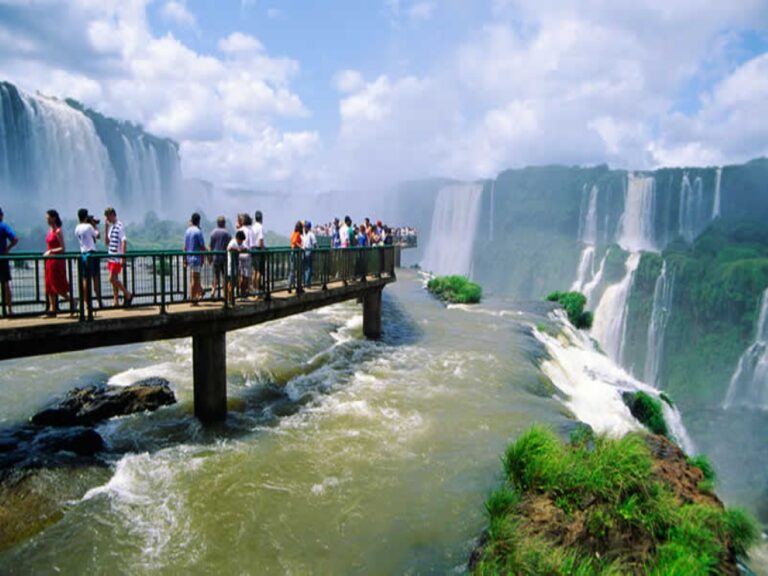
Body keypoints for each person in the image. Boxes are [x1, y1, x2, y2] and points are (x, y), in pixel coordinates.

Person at [43, 209, 71, 316]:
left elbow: (62, 248)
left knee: (57, 285)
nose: (47, 220)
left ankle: (71, 301)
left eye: (48, 218)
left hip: (57, 261)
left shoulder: (58, 231)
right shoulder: (49, 231)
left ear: (53, 218)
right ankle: (52, 308)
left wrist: (50, 251)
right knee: (49, 284)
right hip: (49, 261)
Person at [104, 207, 133, 308]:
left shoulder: (119, 225)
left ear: (112, 215)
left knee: (111, 279)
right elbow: (106, 242)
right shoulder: (111, 227)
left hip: (116, 257)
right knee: (114, 280)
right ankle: (115, 301)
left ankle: (127, 294)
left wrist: (122, 257)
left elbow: (124, 241)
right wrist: (106, 227)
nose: (107, 219)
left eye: (108, 216)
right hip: (111, 257)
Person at [75, 207, 102, 311]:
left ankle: (86, 303)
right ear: (86, 216)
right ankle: (99, 302)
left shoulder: (77, 228)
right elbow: (97, 236)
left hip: (83, 254)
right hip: (92, 254)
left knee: (85, 279)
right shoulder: (89, 227)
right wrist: (94, 226)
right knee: (95, 279)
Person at [183, 212, 207, 304]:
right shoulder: (198, 231)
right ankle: (193, 299)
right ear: (199, 221)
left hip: (189, 258)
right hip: (196, 259)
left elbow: (185, 246)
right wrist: (207, 255)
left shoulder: (187, 231)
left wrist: (184, 259)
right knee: (195, 280)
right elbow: (202, 246)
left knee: (193, 279)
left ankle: (194, 296)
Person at [0, 207, 19, 316]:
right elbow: (15, 239)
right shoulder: (3, 226)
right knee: (6, 283)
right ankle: (10, 310)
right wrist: (8, 248)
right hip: (2, 258)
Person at [209, 216, 232, 298]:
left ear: (217, 223)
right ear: (224, 223)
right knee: (224, 276)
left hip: (215, 257)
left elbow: (210, 246)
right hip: (224, 257)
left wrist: (210, 257)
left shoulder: (213, 232)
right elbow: (230, 245)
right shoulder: (227, 233)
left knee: (215, 275)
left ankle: (213, 292)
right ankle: (224, 293)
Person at [227, 230, 248, 300]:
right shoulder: (233, 242)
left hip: (235, 265)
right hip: (231, 266)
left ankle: (231, 298)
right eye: (241, 240)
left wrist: (241, 249)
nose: (241, 242)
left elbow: (245, 247)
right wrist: (236, 249)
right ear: (238, 238)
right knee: (231, 283)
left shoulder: (239, 243)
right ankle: (230, 299)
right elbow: (228, 248)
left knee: (234, 283)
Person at [287, 221, 303, 293]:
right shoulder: (297, 234)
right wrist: (301, 247)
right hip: (295, 253)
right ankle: (295, 286)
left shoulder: (293, 233)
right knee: (296, 270)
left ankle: (290, 286)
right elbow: (295, 242)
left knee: (293, 270)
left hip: (293, 253)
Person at [251, 210, 265, 294]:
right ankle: (257, 290)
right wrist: (263, 249)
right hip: (258, 250)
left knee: (254, 271)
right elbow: (261, 240)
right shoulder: (260, 227)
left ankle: (254, 289)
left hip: (252, 249)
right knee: (259, 271)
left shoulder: (253, 227)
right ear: (261, 218)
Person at [302, 220, 317, 288]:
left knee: (308, 268)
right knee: (307, 268)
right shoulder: (305, 234)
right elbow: (315, 244)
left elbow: (314, 244)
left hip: (308, 251)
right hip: (305, 251)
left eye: (306, 226)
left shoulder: (310, 234)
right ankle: (306, 283)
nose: (305, 228)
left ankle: (307, 283)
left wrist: (314, 251)